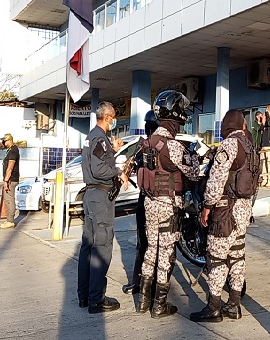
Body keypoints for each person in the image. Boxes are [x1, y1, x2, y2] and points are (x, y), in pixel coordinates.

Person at [136, 90, 199, 318]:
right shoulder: (172, 146)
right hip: (167, 205)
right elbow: (192, 173)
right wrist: (194, 158)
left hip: (149, 203)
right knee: (166, 253)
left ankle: (143, 301)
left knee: (151, 250)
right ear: (176, 116)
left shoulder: (147, 143)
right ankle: (160, 306)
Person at [190, 109, 257, 323]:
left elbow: (216, 179)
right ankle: (234, 304)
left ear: (226, 126)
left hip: (226, 210)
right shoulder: (250, 147)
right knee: (237, 255)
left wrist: (207, 206)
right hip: (244, 209)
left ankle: (214, 307)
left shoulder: (228, 144)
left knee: (216, 257)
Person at [78, 102, 129, 313]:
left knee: (88, 247)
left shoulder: (93, 137)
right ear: (107, 117)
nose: (114, 121)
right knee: (102, 247)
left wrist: (113, 151)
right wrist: (118, 171)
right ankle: (96, 299)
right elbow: (99, 169)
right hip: (100, 197)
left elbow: (98, 162)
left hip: (91, 195)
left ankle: (85, 296)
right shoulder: (99, 138)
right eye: (113, 117)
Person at [122, 110, 159, 295]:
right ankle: (149, 284)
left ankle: (140, 282)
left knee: (144, 244)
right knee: (153, 245)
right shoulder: (161, 145)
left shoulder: (142, 146)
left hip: (145, 200)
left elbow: (129, 167)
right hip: (158, 201)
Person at [0, 133, 20, 229]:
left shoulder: (13, 151)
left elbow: (10, 167)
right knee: (8, 199)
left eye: (5, 141)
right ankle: (9, 219)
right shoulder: (10, 150)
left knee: (9, 199)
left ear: (10, 140)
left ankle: (10, 221)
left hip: (11, 179)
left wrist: (6, 181)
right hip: (10, 179)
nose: (4, 142)